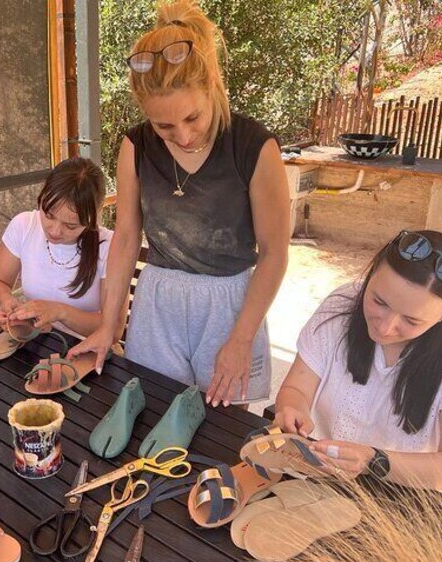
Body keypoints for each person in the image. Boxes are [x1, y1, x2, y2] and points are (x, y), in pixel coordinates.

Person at [68, 0, 290, 406]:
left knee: (224, 425)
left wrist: (241, 338)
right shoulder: (136, 146)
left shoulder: (254, 146)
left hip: (230, 302)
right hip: (158, 298)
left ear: (212, 85)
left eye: (193, 118)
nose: (183, 136)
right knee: (151, 410)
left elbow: (275, 253)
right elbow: (127, 237)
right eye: (164, 125)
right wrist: (109, 324)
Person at [274, 230, 442, 492]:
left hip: (407, 497)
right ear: (370, 273)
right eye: (379, 301)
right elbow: (297, 389)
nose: (385, 327)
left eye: (411, 320)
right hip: (321, 478)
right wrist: (292, 408)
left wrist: (372, 460)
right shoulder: (341, 305)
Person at [0, 157, 123, 341]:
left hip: (88, 350)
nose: (55, 230)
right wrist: (6, 300)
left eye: (71, 226)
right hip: (37, 341)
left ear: (92, 218)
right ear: (41, 197)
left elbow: (114, 330)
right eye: (48, 215)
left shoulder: (110, 246)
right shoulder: (24, 225)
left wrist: (60, 312)